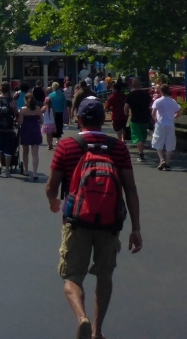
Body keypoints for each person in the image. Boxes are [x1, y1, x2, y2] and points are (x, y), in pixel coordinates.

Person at [45, 97, 142, 339]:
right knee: (104, 276)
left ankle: (82, 318)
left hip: (76, 220)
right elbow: (130, 188)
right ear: (102, 119)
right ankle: (97, 332)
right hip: (109, 222)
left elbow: (51, 186)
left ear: (78, 118)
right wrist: (136, 228)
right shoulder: (118, 148)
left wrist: (53, 201)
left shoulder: (67, 146)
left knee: (72, 276)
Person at [150, 83, 181, 170]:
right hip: (170, 124)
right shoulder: (172, 101)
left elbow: (153, 113)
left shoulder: (158, 101)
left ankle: (161, 159)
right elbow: (179, 112)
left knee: (158, 141)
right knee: (169, 143)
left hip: (160, 124)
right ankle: (167, 163)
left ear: (161, 91)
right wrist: (173, 117)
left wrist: (155, 119)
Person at [0, 81, 19, 177]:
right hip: (9, 128)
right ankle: (7, 169)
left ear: (0, 89)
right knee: (8, 149)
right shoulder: (12, 101)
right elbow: (16, 113)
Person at [124, 78, 153, 163]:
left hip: (135, 118)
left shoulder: (130, 95)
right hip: (145, 117)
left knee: (137, 136)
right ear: (140, 85)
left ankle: (141, 154)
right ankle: (142, 152)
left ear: (132, 85)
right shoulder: (146, 94)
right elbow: (151, 105)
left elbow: (126, 107)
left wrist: (126, 113)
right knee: (143, 135)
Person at [18, 93, 44, 181]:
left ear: (25, 100)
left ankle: (26, 170)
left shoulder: (23, 110)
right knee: (35, 153)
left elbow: (20, 122)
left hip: (26, 131)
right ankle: (35, 172)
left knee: (25, 152)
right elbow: (41, 120)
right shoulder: (38, 108)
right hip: (35, 130)